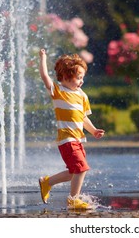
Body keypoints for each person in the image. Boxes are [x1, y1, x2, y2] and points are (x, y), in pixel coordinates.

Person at [38, 48, 105, 210]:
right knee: (81, 168)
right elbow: (45, 77)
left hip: (78, 139)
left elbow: (83, 117)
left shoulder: (82, 95)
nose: (81, 81)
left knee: (73, 172)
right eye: (78, 77)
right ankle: (73, 199)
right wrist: (43, 58)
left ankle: (47, 182)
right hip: (66, 139)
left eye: (83, 77)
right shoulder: (58, 91)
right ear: (66, 77)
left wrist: (94, 130)